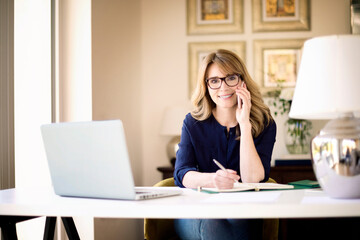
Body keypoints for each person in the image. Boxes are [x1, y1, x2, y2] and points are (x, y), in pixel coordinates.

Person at [173, 49, 276, 240]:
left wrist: (244, 125)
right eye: (214, 80)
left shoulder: (265, 123)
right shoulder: (192, 123)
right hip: (200, 209)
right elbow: (182, 174)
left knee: (235, 220)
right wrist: (213, 180)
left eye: (230, 78)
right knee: (212, 221)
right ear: (206, 86)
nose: (223, 87)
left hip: (242, 211)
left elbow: (253, 178)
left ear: (242, 81)